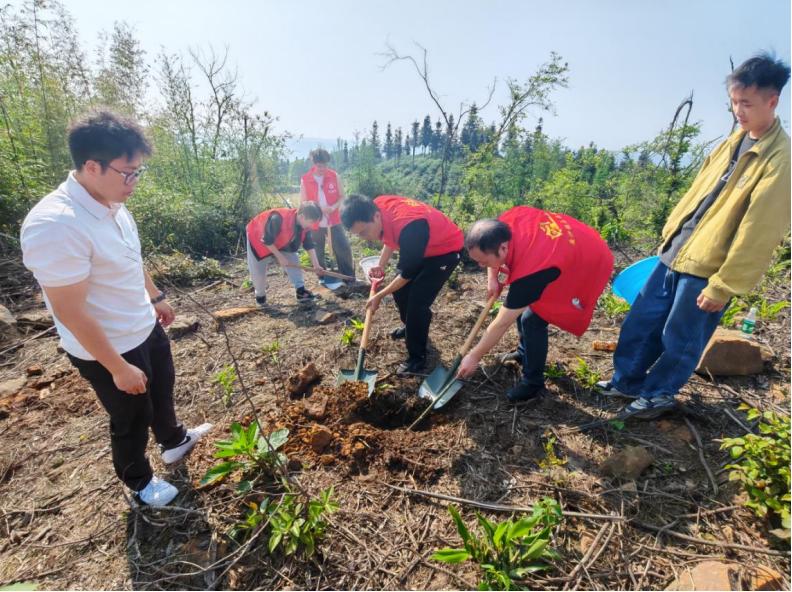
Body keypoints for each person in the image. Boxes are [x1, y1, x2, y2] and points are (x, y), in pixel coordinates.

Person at [20, 111, 211, 507]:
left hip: (142, 323)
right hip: (107, 346)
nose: (134, 183)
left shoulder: (113, 204)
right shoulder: (55, 225)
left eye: (138, 172)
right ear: (92, 166)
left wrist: (155, 297)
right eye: (128, 173)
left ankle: (174, 441)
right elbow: (71, 312)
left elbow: (129, 258)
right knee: (130, 416)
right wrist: (118, 367)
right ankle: (139, 483)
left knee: (162, 389)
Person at [597, 52, 791, 419]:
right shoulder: (732, 142)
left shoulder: (779, 159)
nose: (739, 111)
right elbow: (697, 192)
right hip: (679, 250)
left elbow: (760, 231)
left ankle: (659, 394)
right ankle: (627, 381)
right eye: (734, 102)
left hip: (709, 266)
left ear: (772, 101)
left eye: (746, 103)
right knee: (643, 320)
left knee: (681, 337)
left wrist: (725, 284)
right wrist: (670, 234)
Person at [458, 207, 614, 402]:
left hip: (587, 260)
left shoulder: (531, 272)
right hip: (562, 247)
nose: (481, 266)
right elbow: (493, 257)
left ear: (503, 248)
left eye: (483, 262)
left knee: (532, 319)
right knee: (526, 310)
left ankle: (533, 383)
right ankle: (525, 353)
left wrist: (474, 356)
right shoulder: (505, 224)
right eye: (478, 262)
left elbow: (502, 323)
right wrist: (492, 278)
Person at [341, 194, 463, 374]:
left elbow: (407, 274)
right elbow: (391, 237)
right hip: (422, 246)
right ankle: (411, 327)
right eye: (358, 234)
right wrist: (379, 265)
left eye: (364, 232)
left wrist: (379, 295)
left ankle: (417, 359)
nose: (363, 237)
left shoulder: (409, 226)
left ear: (375, 216)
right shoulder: (378, 208)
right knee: (400, 292)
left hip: (444, 250)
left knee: (417, 303)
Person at [245, 202, 325, 307]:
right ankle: (260, 296)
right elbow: (267, 241)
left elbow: (309, 244)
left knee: (293, 259)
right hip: (258, 238)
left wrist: (316, 265)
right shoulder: (278, 219)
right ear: (301, 216)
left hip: (282, 240)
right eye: (311, 222)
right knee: (258, 272)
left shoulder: (305, 224)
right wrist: (280, 257)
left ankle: (301, 292)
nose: (312, 225)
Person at [300, 148, 355, 283]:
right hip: (315, 222)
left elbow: (342, 197)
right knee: (317, 250)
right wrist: (318, 208)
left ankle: (348, 277)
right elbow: (304, 202)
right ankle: (322, 277)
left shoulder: (334, 176)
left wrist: (333, 207)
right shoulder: (305, 179)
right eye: (319, 165)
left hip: (334, 219)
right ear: (314, 164)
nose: (322, 168)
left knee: (343, 247)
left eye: (324, 165)